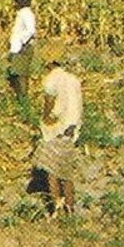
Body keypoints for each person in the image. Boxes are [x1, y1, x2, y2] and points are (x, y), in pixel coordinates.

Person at [34, 46, 83, 216]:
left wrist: (45, 118)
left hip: (58, 128)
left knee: (51, 170)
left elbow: (49, 103)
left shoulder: (50, 80)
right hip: (73, 129)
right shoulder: (74, 79)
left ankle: (55, 208)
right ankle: (70, 209)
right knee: (66, 172)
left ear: (49, 65)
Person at [6, 0, 37, 102]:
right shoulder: (22, 13)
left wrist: (21, 43)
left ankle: (23, 99)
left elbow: (31, 30)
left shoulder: (26, 14)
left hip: (22, 48)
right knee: (16, 72)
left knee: (21, 74)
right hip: (18, 48)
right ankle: (19, 96)